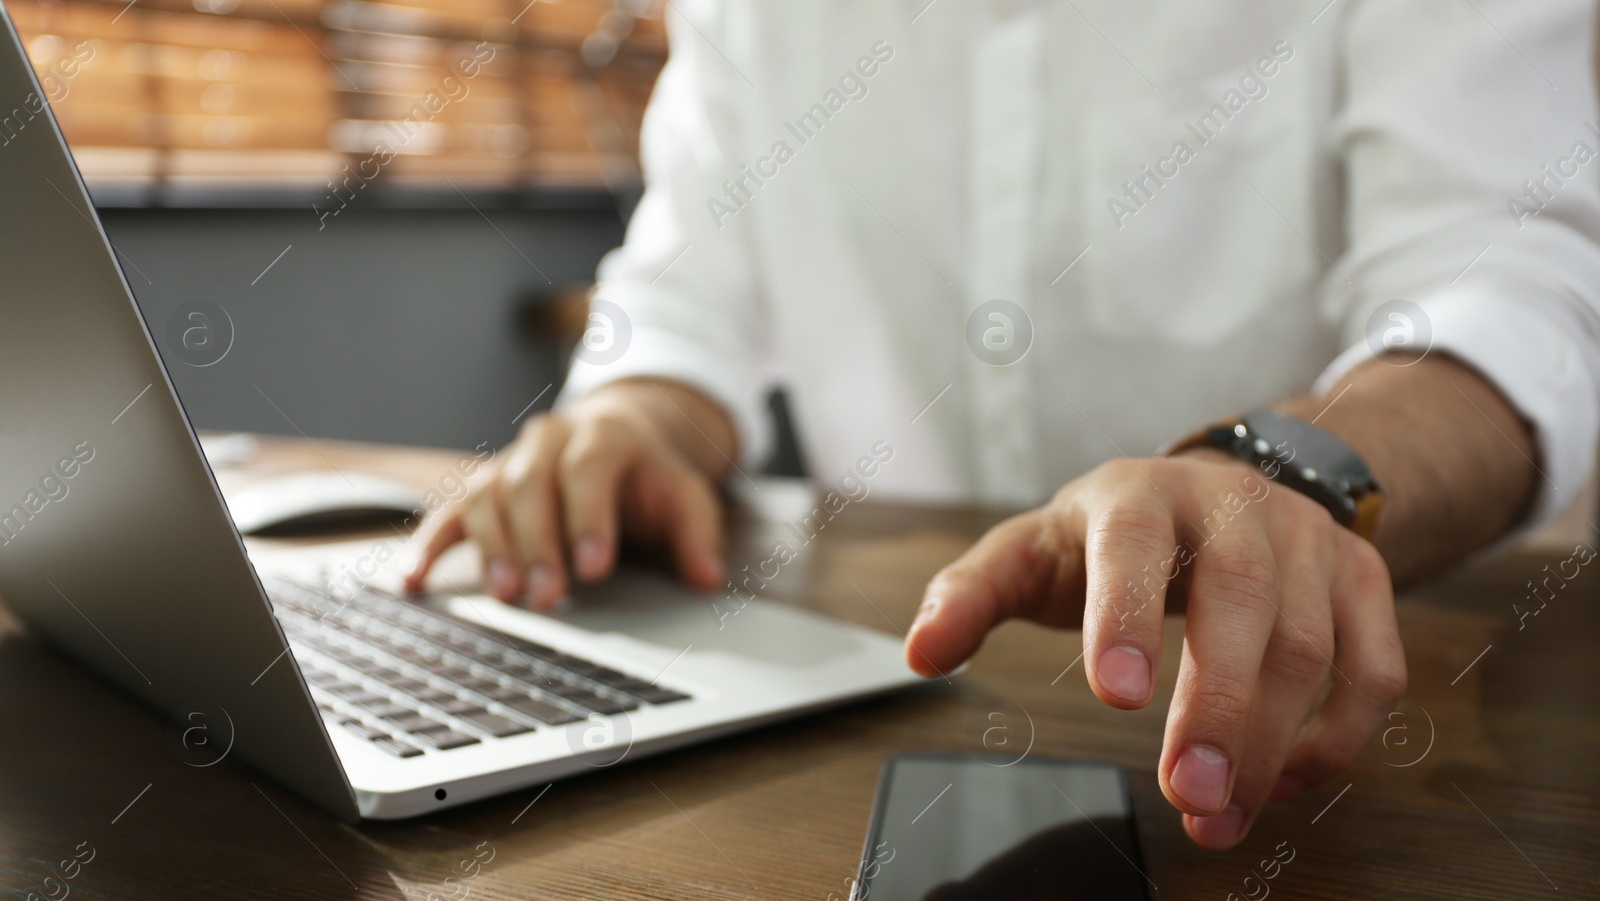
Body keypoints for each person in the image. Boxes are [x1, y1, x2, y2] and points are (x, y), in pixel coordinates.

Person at [405, 0, 1600, 850]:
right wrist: (630, 416)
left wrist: (1283, 471)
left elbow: (1510, 284)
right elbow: (683, 302)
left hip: (1342, 725)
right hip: (873, 702)